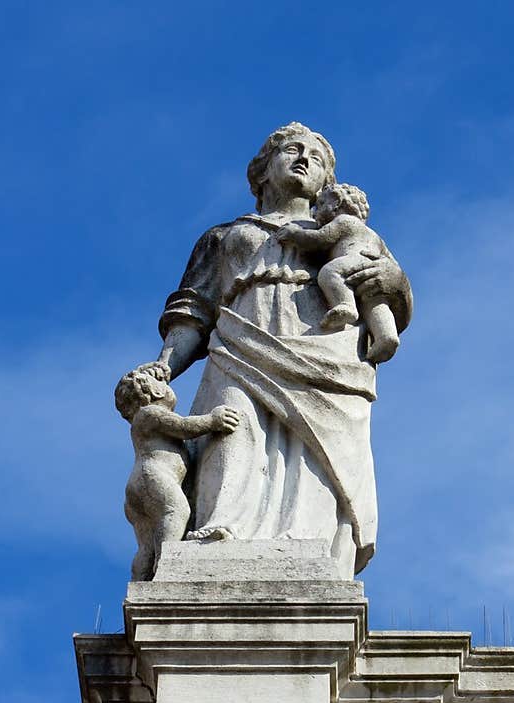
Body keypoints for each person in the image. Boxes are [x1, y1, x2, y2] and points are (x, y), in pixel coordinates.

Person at [127, 122, 412, 577]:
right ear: (262, 170)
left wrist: (394, 284)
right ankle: (221, 532)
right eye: (292, 151)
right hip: (239, 344)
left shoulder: (340, 230)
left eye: (316, 158)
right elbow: (194, 312)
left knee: (312, 456)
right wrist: (164, 366)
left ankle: (310, 543)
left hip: (326, 350)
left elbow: (384, 283)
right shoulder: (224, 236)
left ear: (326, 182)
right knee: (230, 430)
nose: (303, 159)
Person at [115, 363, 240, 581]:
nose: (166, 383)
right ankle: (167, 567)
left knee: (146, 546)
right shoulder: (150, 414)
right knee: (176, 511)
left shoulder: (142, 419)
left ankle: (142, 579)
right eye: (160, 382)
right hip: (153, 477)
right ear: (153, 391)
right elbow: (183, 426)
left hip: (139, 485)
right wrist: (213, 420)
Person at [275, 182, 400, 365]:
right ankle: (386, 336)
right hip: (372, 267)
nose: (315, 213)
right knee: (374, 302)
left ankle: (345, 305)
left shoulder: (342, 221)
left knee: (328, 273)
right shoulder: (374, 235)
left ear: (335, 204)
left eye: (319, 206)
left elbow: (320, 239)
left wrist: (295, 234)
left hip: (351, 262)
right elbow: (391, 262)